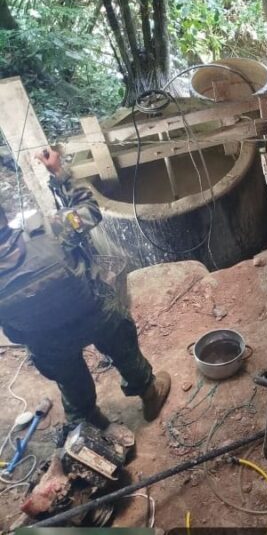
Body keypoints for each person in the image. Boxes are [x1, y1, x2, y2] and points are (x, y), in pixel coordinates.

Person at [0, 148, 171, 429]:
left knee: (68, 376)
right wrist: (59, 174)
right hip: (93, 314)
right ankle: (149, 393)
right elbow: (89, 211)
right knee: (122, 346)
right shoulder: (52, 229)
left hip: (45, 339)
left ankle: (89, 421)